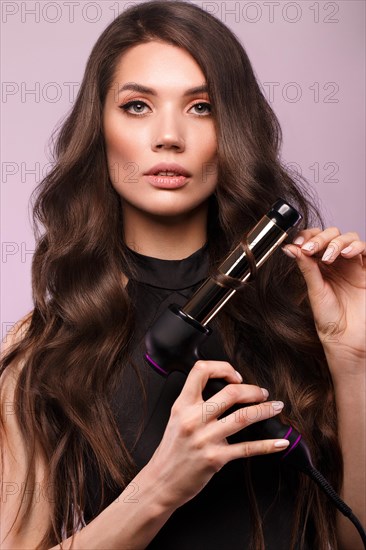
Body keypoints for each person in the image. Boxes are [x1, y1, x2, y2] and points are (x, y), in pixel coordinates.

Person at [1, 1, 365, 549]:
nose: (169, 136)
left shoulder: (307, 316)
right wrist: (161, 487)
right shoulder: (45, 345)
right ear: (98, 127)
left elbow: (353, 539)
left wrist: (353, 359)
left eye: (201, 107)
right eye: (137, 106)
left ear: (233, 129)